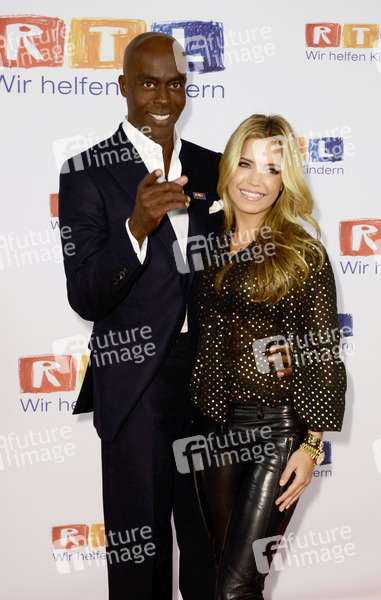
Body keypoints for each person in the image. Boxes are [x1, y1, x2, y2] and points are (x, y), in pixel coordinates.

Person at [58, 32, 222, 600]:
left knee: (211, 548)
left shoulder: (214, 167)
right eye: (148, 83)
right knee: (139, 557)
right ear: (123, 86)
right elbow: (85, 296)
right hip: (135, 383)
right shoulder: (86, 171)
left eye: (174, 84)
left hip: (210, 381)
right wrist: (135, 229)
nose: (163, 97)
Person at [189, 114, 346, 599]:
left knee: (236, 586)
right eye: (246, 163)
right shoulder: (207, 245)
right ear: (228, 169)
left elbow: (321, 353)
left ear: (285, 181)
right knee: (228, 571)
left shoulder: (302, 254)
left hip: (276, 432)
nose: (255, 180)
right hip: (214, 429)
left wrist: (311, 445)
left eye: (272, 168)